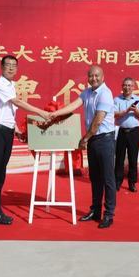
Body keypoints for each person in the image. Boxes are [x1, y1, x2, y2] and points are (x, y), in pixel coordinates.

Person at [0, 55, 50, 225]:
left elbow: (8, 112)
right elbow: (16, 102)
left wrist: (17, 130)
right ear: (1, 67)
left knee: (0, 172)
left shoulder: (12, 85)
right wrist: (40, 112)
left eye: (14, 65)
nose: (11, 68)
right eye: (8, 65)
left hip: (7, 132)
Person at [50, 65, 116, 229]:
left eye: (96, 76)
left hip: (104, 140)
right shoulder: (87, 93)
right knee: (95, 177)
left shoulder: (105, 94)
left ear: (103, 77)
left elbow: (97, 121)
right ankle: (95, 210)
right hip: (93, 140)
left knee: (108, 178)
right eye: (91, 76)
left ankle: (109, 214)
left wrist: (84, 139)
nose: (94, 78)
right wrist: (55, 113)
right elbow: (73, 105)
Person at [114, 77, 139, 192]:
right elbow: (114, 114)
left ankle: (132, 182)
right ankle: (117, 181)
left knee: (133, 158)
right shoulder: (117, 99)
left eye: (129, 85)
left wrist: (135, 110)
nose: (127, 87)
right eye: (125, 85)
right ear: (122, 87)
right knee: (119, 158)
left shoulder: (138, 99)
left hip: (134, 132)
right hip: (121, 131)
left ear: (133, 87)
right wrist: (127, 110)